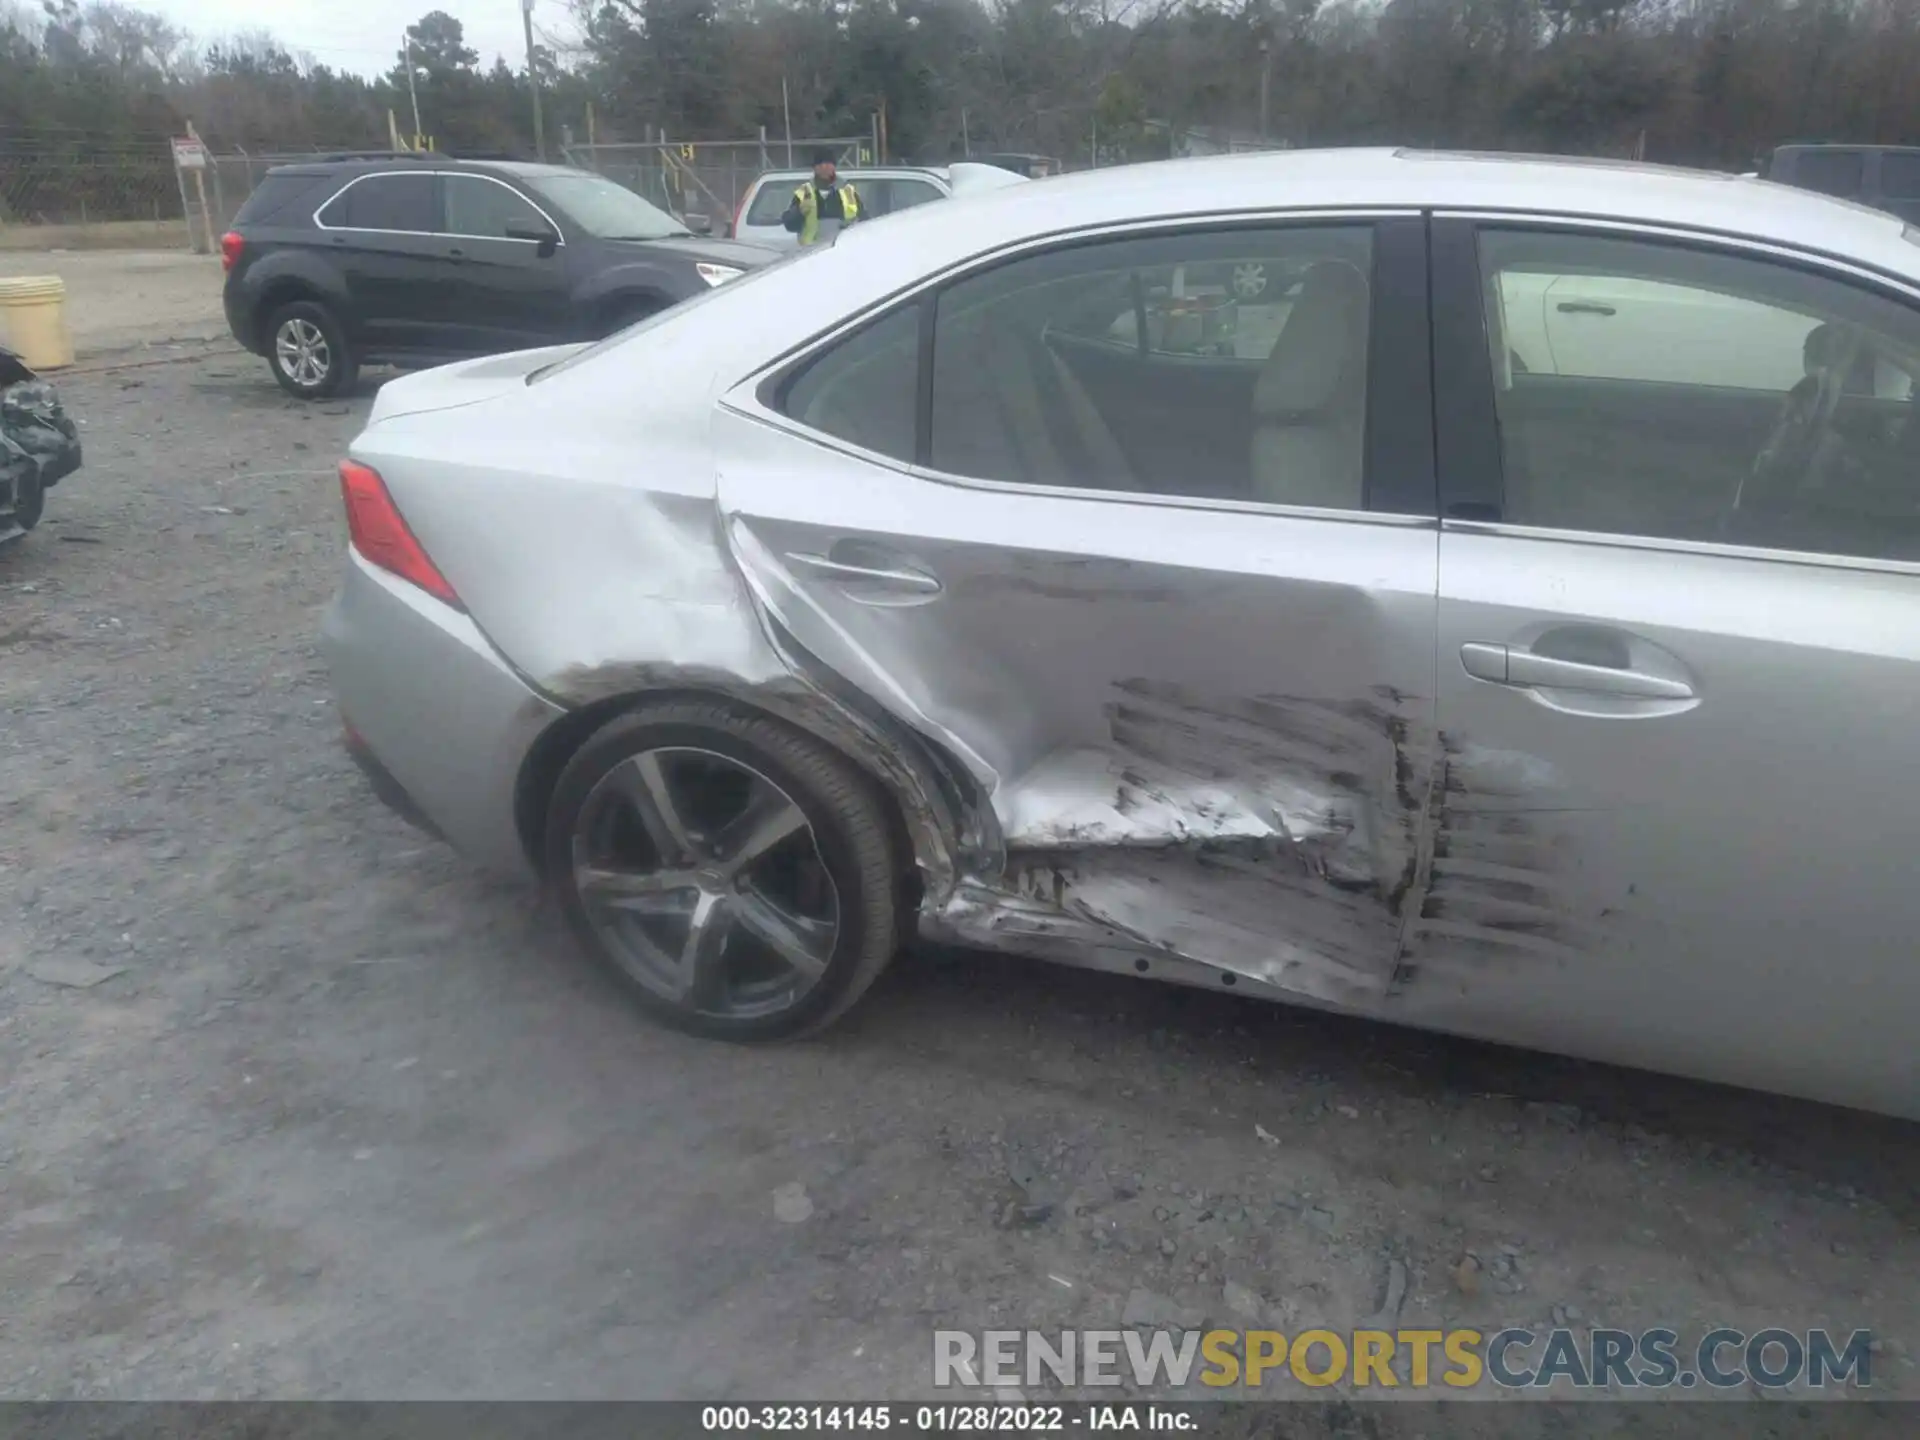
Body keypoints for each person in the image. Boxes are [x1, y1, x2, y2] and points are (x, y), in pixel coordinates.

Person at [782, 150, 861, 247]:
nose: (824, 167)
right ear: (814, 168)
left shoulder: (848, 191)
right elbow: (790, 225)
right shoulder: (803, 192)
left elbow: (865, 222)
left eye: (827, 163)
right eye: (819, 164)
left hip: (842, 252)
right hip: (809, 254)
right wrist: (799, 212)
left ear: (834, 166)